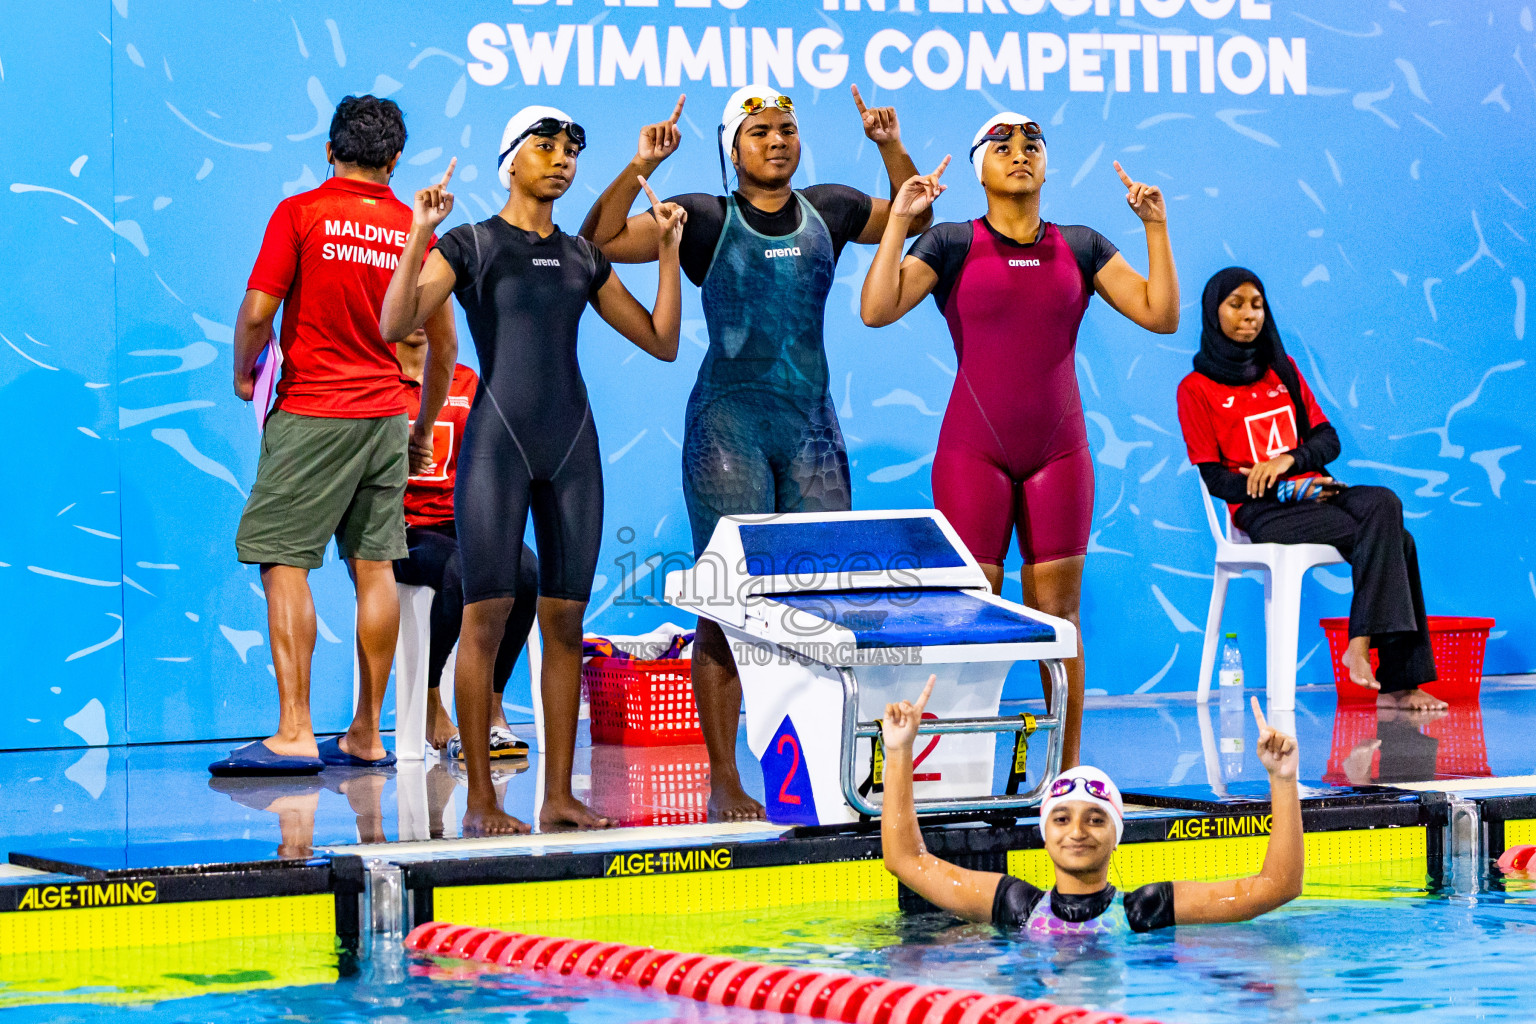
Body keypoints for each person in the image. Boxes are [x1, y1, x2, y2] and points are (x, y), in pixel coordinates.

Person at [579, 86, 930, 820]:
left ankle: (815, 761)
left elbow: (914, 213)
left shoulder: (830, 208)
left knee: (820, 601)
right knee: (729, 605)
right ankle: (724, 775)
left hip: (810, 427)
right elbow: (600, 243)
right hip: (729, 426)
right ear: (732, 148)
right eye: (760, 131)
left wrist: (889, 146)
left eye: (788, 129)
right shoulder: (705, 216)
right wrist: (639, 164)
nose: (777, 141)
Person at [380, 106, 685, 835]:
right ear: (509, 161)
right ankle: (482, 797)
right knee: (485, 619)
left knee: (566, 624)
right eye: (545, 147)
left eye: (570, 151)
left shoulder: (583, 257)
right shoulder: (473, 244)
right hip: (499, 445)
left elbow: (662, 341)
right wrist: (419, 231)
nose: (561, 160)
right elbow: (394, 325)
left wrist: (670, 253)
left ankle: (556, 796)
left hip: (573, 446)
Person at [859, 115, 1180, 769]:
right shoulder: (949, 242)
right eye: (1001, 147)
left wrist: (1155, 227)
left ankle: (1066, 774)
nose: (1019, 155)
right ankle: (962, 761)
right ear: (979, 168)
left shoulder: (1082, 245)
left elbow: (1160, 313)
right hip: (973, 452)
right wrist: (900, 219)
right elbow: (876, 308)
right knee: (971, 620)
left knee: (1059, 624)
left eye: (1031, 145)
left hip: (1059, 454)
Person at [215, 95, 456, 776]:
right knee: (372, 566)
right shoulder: (416, 228)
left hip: (314, 413)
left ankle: (293, 732)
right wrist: (422, 424)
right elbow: (443, 341)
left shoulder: (301, 214)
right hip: (385, 419)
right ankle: (365, 734)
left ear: (329, 149)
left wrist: (244, 372)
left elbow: (259, 311)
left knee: (283, 560)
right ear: (396, 160)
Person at [1176, 268, 1444, 711]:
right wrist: (1278, 489)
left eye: (1257, 304)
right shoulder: (1196, 390)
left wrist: (1289, 461)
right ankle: (1397, 682)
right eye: (1236, 304)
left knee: (1384, 502)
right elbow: (1216, 479)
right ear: (1213, 312)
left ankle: (1361, 645)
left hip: (1317, 491)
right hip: (1262, 511)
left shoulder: (1282, 371)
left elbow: (1327, 440)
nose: (1249, 315)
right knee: (1398, 539)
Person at [881, 676, 1303, 933]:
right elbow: (906, 860)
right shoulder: (1014, 906)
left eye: (1095, 819)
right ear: (1045, 833)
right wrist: (899, 752)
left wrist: (1283, 781)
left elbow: (1276, 888)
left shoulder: (1146, 910)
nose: (1077, 832)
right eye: (1062, 818)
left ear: (1117, 836)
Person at [392, 330, 537, 757]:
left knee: (525, 572)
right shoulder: (376, 379)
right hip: (403, 529)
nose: (423, 318)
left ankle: (493, 710)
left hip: (461, 523)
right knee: (462, 570)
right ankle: (432, 700)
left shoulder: (466, 382)